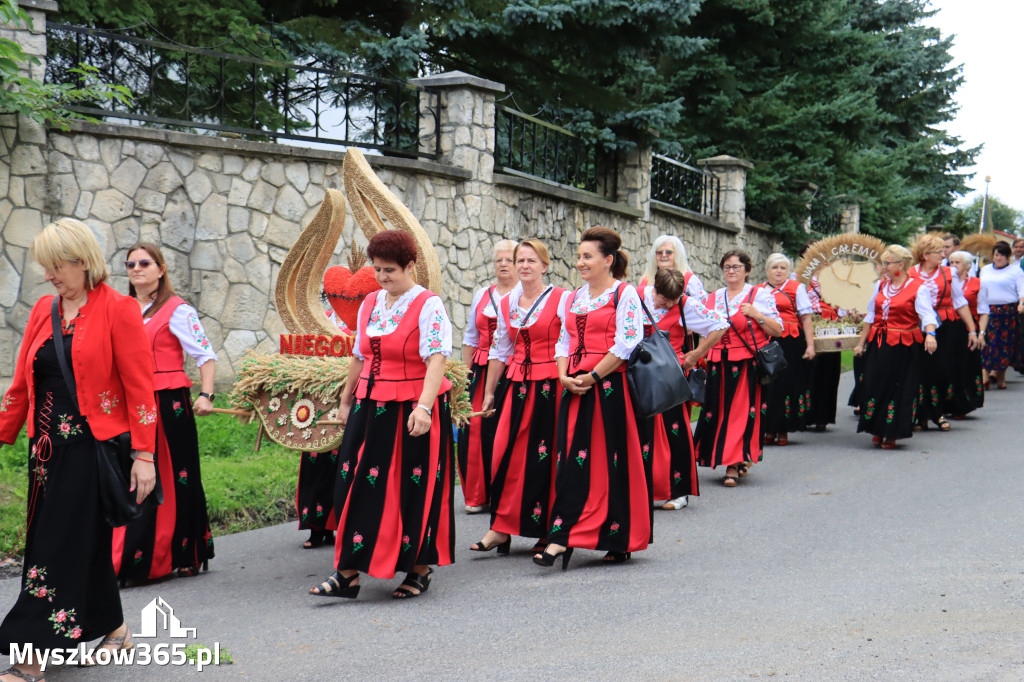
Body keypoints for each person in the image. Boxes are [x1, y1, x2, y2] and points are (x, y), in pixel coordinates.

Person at [0, 219, 158, 680]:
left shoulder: (120, 310)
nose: (49, 275)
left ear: (83, 261)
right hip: (45, 453)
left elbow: (140, 389)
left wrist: (144, 455)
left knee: (54, 547)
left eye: (56, 266)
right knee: (77, 544)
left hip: (90, 451)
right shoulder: (43, 311)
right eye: (45, 267)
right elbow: (22, 384)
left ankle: (31, 655)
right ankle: (115, 629)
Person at [309, 230, 455, 600]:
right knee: (353, 480)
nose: (383, 277)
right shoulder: (371, 301)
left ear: (410, 266)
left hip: (412, 404)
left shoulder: (428, 304)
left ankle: (419, 568)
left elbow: (436, 357)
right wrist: (345, 401)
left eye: (390, 270)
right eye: (377, 270)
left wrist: (424, 407)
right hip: (369, 403)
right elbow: (360, 354)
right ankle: (348, 573)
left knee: (411, 485)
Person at [536, 226, 649, 569]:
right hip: (574, 387)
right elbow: (561, 343)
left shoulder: (624, 294)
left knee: (611, 464)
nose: (580, 262)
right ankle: (563, 535)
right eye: (579, 256)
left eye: (587, 256)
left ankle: (617, 537)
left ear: (608, 260)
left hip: (609, 390)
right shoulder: (572, 298)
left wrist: (594, 375)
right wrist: (562, 375)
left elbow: (627, 342)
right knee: (572, 461)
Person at [111, 243, 217, 581]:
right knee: (130, 474)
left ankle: (183, 552)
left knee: (177, 477)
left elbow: (205, 354)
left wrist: (207, 394)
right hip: (130, 403)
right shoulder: (121, 308)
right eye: (130, 264)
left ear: (161, 269)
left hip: (168, 403)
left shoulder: (178, 309)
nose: (137, 269)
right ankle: (129, 555)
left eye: (144, 263)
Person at [469, 239, 565, 555]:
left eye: (531, 260)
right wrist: (490, 392)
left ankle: (547, 528)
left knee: (545, 457)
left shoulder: (562, 299)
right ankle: (501, 527)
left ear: (544, 265)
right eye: (520, 259)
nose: (524, 265)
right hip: (517, 386)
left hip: (551, 387)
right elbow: (501, 349)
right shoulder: (508, 302)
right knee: (505, 454)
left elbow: (569, 344)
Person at [693, 250, 783, 487]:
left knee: (740, 413)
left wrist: (758, 315)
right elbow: (703, 331)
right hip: (717, 364)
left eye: (736, 267)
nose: (731, 271)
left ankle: (732, 465)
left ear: (747, 270)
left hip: (746, 364)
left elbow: (778, 330)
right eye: (727, 267)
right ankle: (732, 456)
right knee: (717, 412)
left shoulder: (758, 295)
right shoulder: (713, 297)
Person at [641, 269, 727, 510]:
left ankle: (678, 491)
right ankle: (643, 489)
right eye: (664, 299)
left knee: (674, 432)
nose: (668, 304)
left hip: (671, 379)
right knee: (641, 435)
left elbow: (720, 324)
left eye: (673, 300)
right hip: (638, 377)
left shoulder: (686, 304)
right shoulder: (636, 297)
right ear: (654, 289)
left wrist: (697, 353)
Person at [853, 245, 939, 449]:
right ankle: (876, 428)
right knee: (874, 383)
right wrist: (860, 343)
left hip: (903, 346)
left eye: (887, 263)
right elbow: (871, 316)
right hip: (880, 343)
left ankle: (891, 432)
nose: (883, 268)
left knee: (898, 387)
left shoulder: (918, 288)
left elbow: (927, 314)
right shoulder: (881, 286)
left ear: (900, 265)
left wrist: (930, 334)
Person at [459, 240, 518, 514]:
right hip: (481, 369)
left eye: (509, 260)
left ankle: (502, 493)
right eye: (499, 260)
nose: (503, 264)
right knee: (473, 429)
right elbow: (471, 336)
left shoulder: (526, 294)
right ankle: (476, 493)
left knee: (505, 431)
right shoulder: (484, 293)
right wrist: (463, 373)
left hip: (513, 370)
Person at [908, 234, 980, 430]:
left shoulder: (949, 273)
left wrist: (972, 331)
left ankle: (938, 413)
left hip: (947, 328)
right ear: (925, 255)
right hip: (917, 328)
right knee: (920, 371)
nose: (944, 254)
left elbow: (960, 302)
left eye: (943, 251)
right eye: (939, 252)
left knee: (943, 369)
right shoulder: (910, 273)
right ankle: (921, 416)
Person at [761, 253, 816, 445]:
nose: (778, 271)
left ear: (788, 271)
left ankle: (783, 429)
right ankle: (768, 429)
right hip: (765, 343)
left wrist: (810, 345)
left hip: (790, 342)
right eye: (775, 267)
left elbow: (806, 318)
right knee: (767, 386)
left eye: (783, 268)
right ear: (767, 270)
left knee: (786, 385)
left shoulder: (797, 288)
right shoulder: (758, 290)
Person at [977, 241, 1024, 389]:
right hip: (988, 312)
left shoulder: (1016, 271)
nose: (998, 258)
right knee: (987, 344)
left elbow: (1022, 290)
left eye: (1002, 255)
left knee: (1004, 345)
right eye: (996, 255)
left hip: (1008, 312)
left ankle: (1001, 378)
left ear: (1008, 257)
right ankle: (985, 376)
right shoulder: (985, 270)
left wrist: (1021, 303)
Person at [947, 250, 985, 416]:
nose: (953, 266)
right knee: (948, 366)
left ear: (968, 266)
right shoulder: (945, 281)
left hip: (968, 329)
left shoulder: (978, 283)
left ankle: (962, 405)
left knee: (964, 366)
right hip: (948, 328)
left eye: (957, 263)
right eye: (951, 262)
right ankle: (945, 403)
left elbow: (984, 311)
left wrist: (980, 332)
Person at [638, 234, 707, 299]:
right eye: (659, 252)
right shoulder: (647, 281)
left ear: (677, 255)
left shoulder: (689, 280)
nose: (664, 255)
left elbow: (701, 306)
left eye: (668, 252)